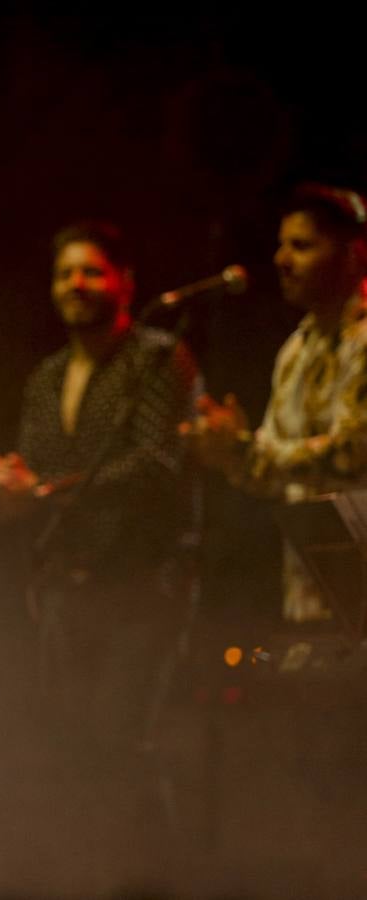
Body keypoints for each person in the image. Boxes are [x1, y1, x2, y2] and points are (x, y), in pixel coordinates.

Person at [0, 221, 201, 769]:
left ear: (125, 281)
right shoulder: (47, 377)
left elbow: (156, 465)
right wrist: (8, 487)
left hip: (141, 588)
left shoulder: (157, 357)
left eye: (91, 272)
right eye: (64, 273)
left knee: (123, 752)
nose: (76, 283)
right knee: (64, 756)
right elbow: (35, 468)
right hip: (62, 592)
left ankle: (153, 854)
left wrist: (46, 491)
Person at [183, 182, 367, 623]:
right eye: (281, 245)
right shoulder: (293, 354)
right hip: (311, 601)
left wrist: (249, 450)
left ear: (354, 254)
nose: (282, 260)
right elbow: (272, 475)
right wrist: (229, 451)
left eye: (302, 246)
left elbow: (352, 453)